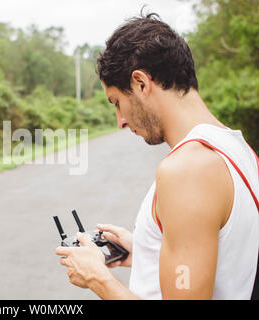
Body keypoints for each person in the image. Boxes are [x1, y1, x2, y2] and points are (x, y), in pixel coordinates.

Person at [55, 13, 259, 300]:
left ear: (140, 83)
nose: (120, 121)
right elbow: (225, 261)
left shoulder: (187, 169)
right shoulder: (236, 147)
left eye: (117, 102)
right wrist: (147, 251)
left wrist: (98, 280)